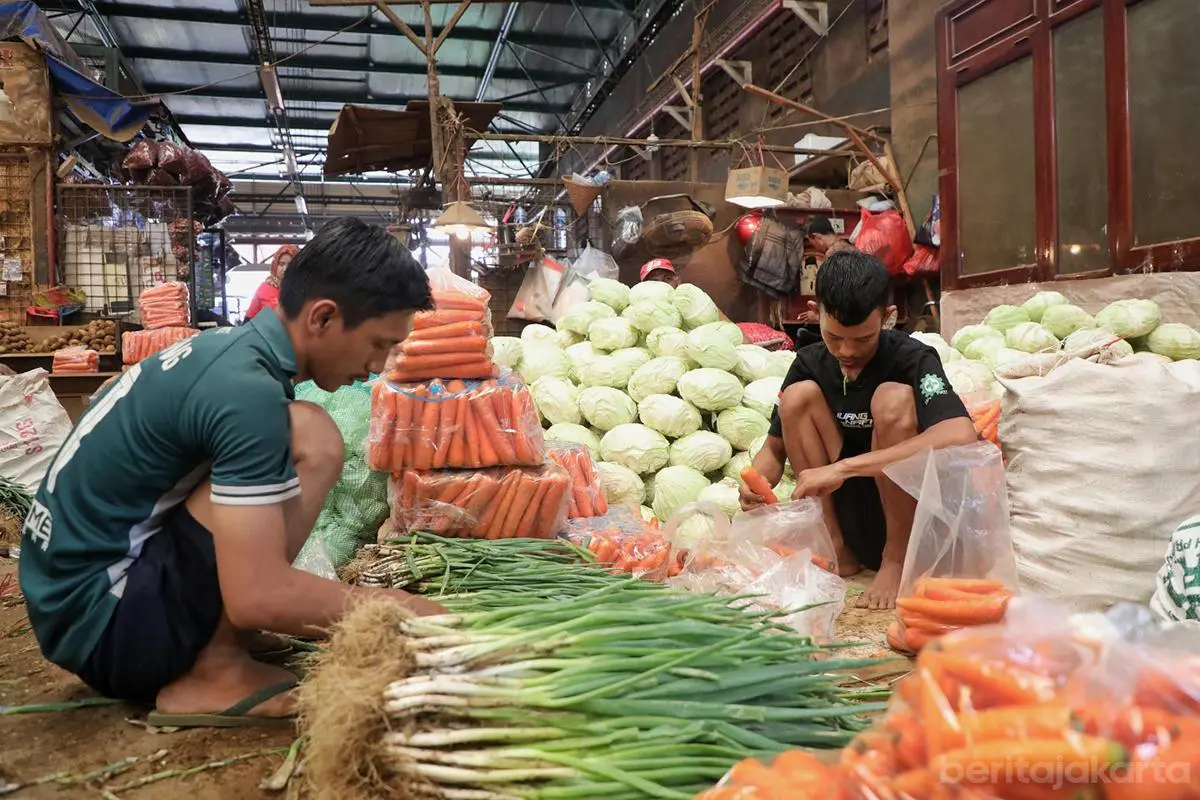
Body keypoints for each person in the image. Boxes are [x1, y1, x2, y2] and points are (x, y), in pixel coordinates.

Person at [19, 218, 445, 728]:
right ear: (324, 318)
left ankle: (213, 643)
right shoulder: (247, 394)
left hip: (78, 604)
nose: (378, 366)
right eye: (378, 344)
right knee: (312, 438)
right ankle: (212, 672)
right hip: (105, 628)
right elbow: (258, 596)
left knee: (301, 430)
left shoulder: (231, 354)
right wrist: (398, 609)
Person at [740, 250, 977, 610]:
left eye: (863, 339)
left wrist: (844, 468)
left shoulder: (913, 358)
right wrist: (756, 480)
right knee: (796, 398)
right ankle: (837, 546)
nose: (847, 351)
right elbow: (774, 450)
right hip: (842, 510)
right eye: (834, 337)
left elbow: (960, 433)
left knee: (892, 398)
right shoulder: (808, 362)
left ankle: (894, 560)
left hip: (902, 515)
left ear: (887, 316)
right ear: (814, 310)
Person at [245, 245, 299, 321]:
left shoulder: (305, 290)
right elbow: (248, 320)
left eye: (290, 264)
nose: (285, 269)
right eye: (281, 264)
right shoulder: (264, 289)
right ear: (275, 266)